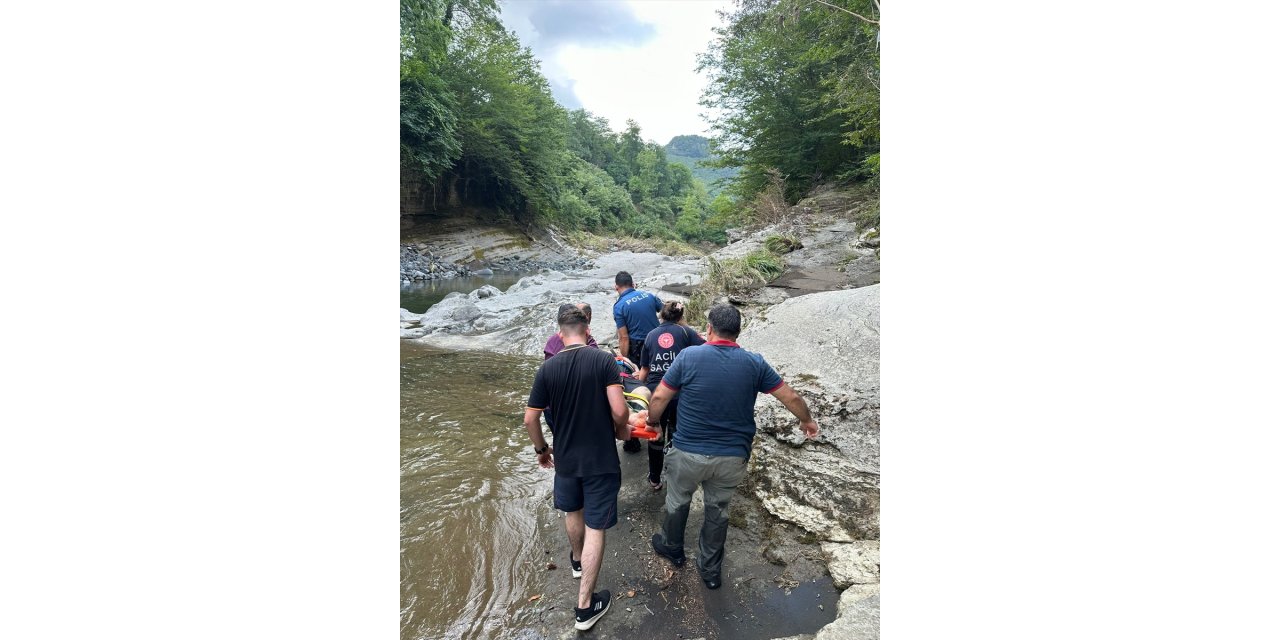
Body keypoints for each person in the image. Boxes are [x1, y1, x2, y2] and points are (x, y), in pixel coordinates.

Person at [645, 304, 819, 591]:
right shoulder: (754, 363)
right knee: (718, 510)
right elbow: (790, 397)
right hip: (732, 456)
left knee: (677, 502)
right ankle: (710, 570)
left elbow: (661, 395)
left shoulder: (689, 356)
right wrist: (808, 421)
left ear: (709, 329)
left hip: (688, 451)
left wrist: (652, 423)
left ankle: (672, 548)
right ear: (737, 333)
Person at [523, 307, 632, 630]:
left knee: (573, 511)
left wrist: (542, 450)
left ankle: (575, 560)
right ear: (587, 329)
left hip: (566, 458)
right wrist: (621, 430)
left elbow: (531, 418)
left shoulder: (548, 369)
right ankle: (585, 608)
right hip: (600, 458)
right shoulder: (602, 361)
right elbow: (620, 411)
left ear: (559, 333)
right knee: (596, 526)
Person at [636, 300, 705, 490]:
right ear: (680, 317)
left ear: (661, 316)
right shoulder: (685, 332)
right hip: (679, 395)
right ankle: (676, 473)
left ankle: (655, 478)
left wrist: (638, 395)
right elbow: (707, 347)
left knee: (654, 434)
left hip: (655, 394)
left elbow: (644, 371)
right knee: (677, 434)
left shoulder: (650, 336)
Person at [612, 271, 661, 453]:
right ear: (634, 283)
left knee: (635, 383)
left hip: (638, 346)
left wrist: (623, 358)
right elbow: (664, 312)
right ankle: (660, 418)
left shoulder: (619, 306)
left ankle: (633, 439)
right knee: (655, 379)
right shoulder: (648, 295)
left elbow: (623, 337)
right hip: (656, 341)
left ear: (616, 287)